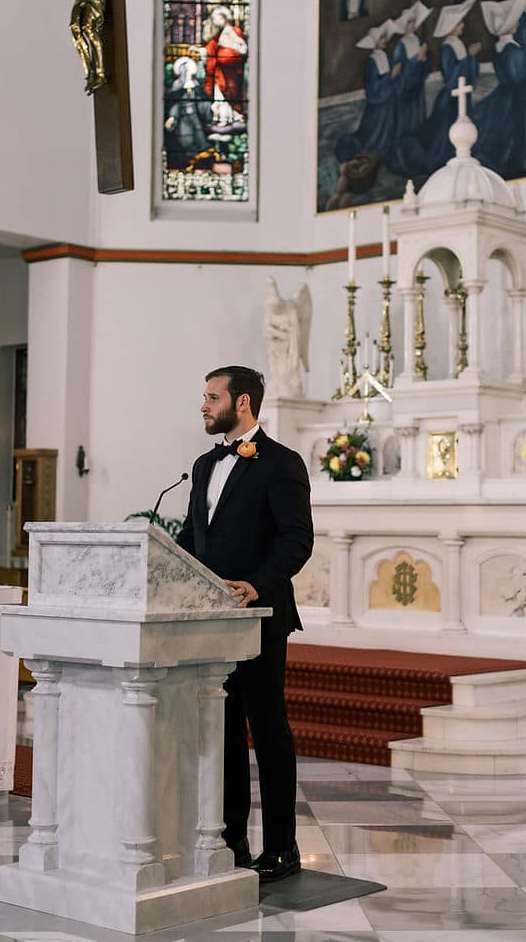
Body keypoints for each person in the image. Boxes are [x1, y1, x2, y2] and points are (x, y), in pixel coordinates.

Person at [176, 366, 314, 881]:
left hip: (260, 617)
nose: (204, 406)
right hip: (211, 620)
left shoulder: (282, 463)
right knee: (224, 729)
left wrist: (257, 583)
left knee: (268, 728)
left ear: (244, 403)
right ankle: (229, 838)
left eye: (212, 397)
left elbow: (296, 540)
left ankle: (282, 846)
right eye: (204, 396)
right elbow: (194, 537)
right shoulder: (202, 463)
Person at [392, 0, 481, 178]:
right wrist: (469, 57)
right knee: (441, 134)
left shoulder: (454, 44)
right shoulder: (447, 47)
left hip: (450, 94)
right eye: (459, 23)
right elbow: (451, 78)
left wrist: (422, 61)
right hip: (447, 97)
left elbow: (459, 73)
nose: (463, 25)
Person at [473, 0, 526, 179]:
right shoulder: (512, 48)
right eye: (514, 20)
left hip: (505, 92)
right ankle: (512, 164)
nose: (517, 23)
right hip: (516, 94)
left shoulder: (500, 47)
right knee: (515, 129)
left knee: (505, 128)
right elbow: (522, 74)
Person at [334, 18, 402, 166]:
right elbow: (373, 88)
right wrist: (390, 77)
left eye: (385, 37)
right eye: (382, 38)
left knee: (388, 128)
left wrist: (394, 78)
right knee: (375, 132)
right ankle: (372, 153)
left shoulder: (386, 57)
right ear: (375, 42)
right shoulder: (372, 62)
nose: (385, 40)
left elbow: (392, 78)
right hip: (378, 104)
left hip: (389, 101)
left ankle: (384, 152)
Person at [391, 1, 433, 137]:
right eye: (409, 23)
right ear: (404, 25)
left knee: (418, 111)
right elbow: (399, 69)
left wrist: (424, 60)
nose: (413, 25)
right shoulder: (401, 45)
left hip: (418, 82)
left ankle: (418, 134)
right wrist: (416, 59)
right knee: (407, 115)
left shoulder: (419, 40)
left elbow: (427, 61)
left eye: (414, 22)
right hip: (406, 86)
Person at [203, 8, 248, 115]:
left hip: (233, 71)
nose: (215, 21)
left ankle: (235, 116)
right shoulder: (220, 34)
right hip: (221, 72)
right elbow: (211, 48)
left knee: (233, 95)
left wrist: (230, 50)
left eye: (217, 18)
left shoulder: (235, 31)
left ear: (224, 17)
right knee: (220, 96)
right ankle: (223, 117)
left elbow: (243, 49)